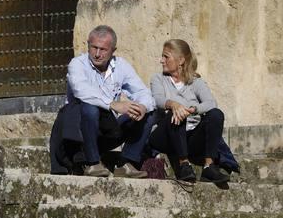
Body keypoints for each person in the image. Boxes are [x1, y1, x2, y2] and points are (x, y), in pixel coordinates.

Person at [64, 25, 155, 178]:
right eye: (94, 48)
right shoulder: (77, 64)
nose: (97, 54)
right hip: (81, 132)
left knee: (151, 112)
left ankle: (125, 163)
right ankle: (92, 163)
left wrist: (142, 106)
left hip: (108, 128)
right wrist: (113, 104)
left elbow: (143, 92)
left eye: (103, 49)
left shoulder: (121, 66)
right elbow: (81, 90)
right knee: (90, 107)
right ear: (88, 45)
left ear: (113, 50)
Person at [150, 38, 228, 185]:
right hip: (165, 135)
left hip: (189, 137)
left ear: (180, 60)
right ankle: (184, 164)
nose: (161, 60)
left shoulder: (196, 82)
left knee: (216, 114)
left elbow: (211, 103)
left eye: (166, 57)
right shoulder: (158, 79)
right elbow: (158, 99)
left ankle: (209, 167)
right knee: (176, 113)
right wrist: (174, 105)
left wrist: (192, 110)